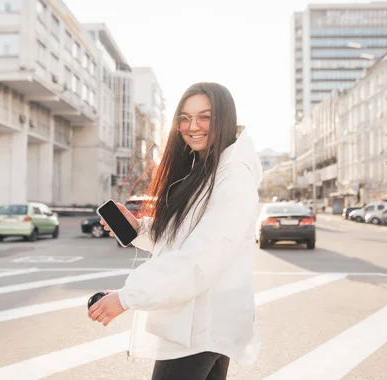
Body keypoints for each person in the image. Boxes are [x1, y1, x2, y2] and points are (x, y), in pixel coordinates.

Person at [88, 82, 263, 380]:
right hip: (204, 322)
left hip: (200, 324)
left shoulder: (233, 178)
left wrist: (127, 297)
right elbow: (186, 236)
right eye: (184, 117)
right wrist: (138, 228)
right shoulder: (208, 169)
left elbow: (200, 257)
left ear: (225, 118)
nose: (192, 126)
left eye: (204, 116)